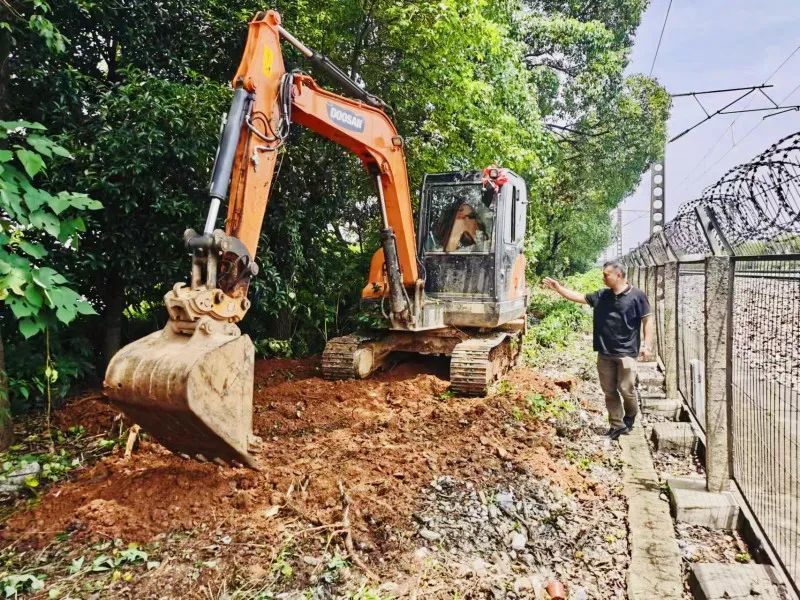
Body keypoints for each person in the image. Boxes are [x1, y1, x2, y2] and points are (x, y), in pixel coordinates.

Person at [542, 261, 654, 440]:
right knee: (609, 391)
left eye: (606, 274)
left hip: (626, 352)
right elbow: (577, 297)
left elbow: (647, 320)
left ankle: (631, 414)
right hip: (605, 352)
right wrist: (558, 288)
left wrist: (647, 345)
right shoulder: (602, 296)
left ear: (618, 275)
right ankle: (617, 425)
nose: (603, 277)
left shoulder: (637, 296)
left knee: (626, 389)